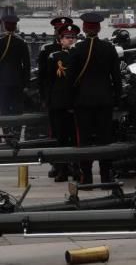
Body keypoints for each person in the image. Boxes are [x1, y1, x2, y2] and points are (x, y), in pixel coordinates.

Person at [68, 12, 121, 184]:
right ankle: (106, 175)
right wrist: (117, 99)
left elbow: (71, 79)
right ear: (98, 28)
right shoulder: (109, 48)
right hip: (105, 100)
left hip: (83, 101)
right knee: (105, 138)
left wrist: (71, 101)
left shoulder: (77, 49)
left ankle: (87, 176)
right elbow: (116, 77)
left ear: (84, 27)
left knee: (84, 139)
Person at [47, 23, 80, 182]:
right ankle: (61, 169)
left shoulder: (78, 55)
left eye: (73, 37)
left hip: (74, 102)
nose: (71, 40)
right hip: (59, 102)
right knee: (61, 138)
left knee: (74, 138)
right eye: (67, 38)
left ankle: (75, 167)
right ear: (60, 40)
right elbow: (49, 81)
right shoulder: (54, 57)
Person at [0, 14, 31, 115]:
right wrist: (26, 83)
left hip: (2, 80)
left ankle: (6, 130)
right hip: (18, 80)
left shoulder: (0, 42)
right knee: (17, 108)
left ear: (4, 26)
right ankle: (17, 130)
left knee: (3, 107)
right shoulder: (21, 43)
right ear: (15, 26)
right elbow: (27, 65)